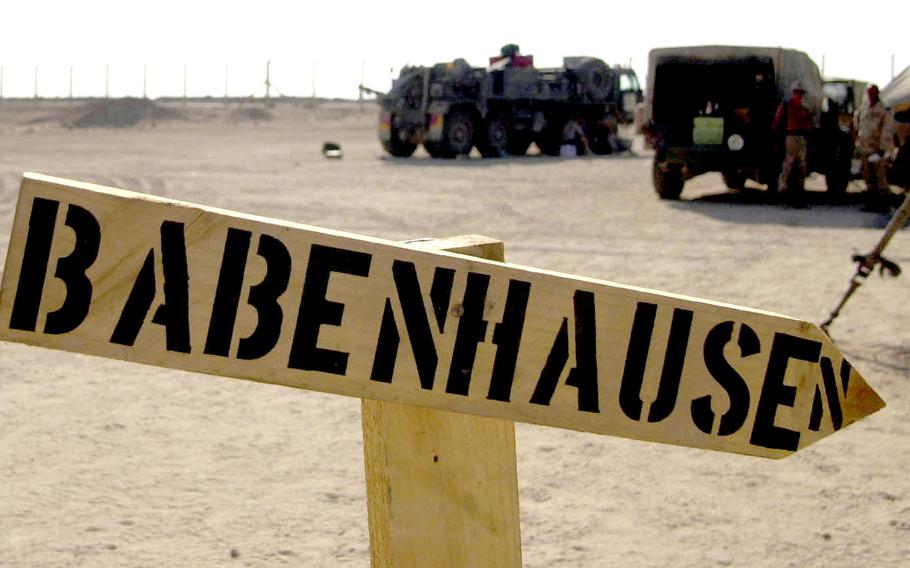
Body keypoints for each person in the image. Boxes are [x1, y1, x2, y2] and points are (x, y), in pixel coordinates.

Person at [854, 85, 896, 208]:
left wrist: (882, 150)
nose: (870, 95)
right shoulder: (864, 108)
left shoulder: (883, 110)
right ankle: (871, 202)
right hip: (865, 148)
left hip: (878, 149)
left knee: (880, 177)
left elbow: (887, 130)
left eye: (872, 93)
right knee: (868, 176)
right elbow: (857, 125)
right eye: (868, 93)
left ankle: (883, 203)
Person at [773, 82, 813, 199]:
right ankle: (782, 188)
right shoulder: (786, 106)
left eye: (800, 93)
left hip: (801, 137)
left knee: (802, 164)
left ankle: (799, 189)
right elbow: (777, 122)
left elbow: (808, 124)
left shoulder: (804, 108)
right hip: (791, 136)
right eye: (797, 93)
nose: (799, 95)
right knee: (788, 163)